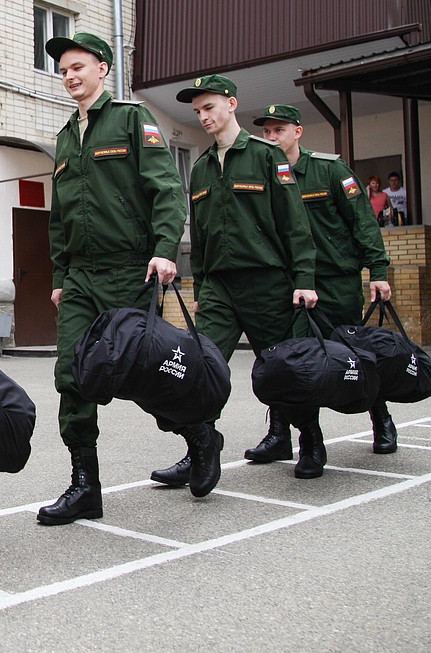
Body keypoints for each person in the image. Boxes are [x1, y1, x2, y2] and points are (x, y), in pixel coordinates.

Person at [39, 32, 219, 514]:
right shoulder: (64, 136)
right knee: (72, 376)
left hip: (128, 271)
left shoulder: (131, 119)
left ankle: (200, 435)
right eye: (63, 70)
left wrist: (165, 250)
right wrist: (59, 277)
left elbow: (165, 188)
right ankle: (84, 486)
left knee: (141, 375)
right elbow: (59, 217)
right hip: (80, 277)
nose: (69, 76)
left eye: (78, 66)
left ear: (103, 69)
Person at [150, 76, 321, 484]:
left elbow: (294, 222)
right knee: (198, 370)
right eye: (197, 112)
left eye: (209, 108)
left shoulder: (265, 155)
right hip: (220, 289)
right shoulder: (204, 165)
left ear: (231, 104)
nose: (204, 117)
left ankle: (309, 440)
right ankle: (200, 450)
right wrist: (201, 289)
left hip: (267, 283)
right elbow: (204, 236)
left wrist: (304, 279)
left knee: (284, 369)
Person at [255, 104, 397, 455]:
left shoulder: (329, 170)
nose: (272, 138)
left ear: (297, 132)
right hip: (289, 287)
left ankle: (380, 418)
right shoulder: (260, 174)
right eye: (267, 132)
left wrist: (378, 272)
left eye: (279, 130)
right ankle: (296, 439)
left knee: (354, 355)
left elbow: (363, 223)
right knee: (291, 362)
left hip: (336, 282)